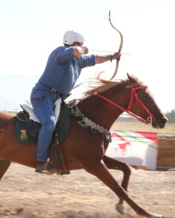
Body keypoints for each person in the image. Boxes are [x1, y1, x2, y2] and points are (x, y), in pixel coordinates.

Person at [31, 30, 121, 174]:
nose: (83, 46)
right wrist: (81, 49)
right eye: (80, 44)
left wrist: (111, 57)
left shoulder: (78, 60)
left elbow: (95, 58)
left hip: (59, 99)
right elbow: (74, 51)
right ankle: (41, 162)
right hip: (43, 96)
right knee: (49, 123)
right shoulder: (60, 52)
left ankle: (59, 158)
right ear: (74, 43)